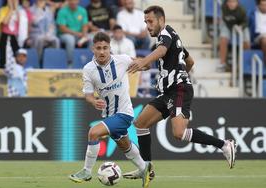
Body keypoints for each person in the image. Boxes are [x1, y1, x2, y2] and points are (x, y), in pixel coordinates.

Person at [123, 6, 237, 181]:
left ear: (161, 20)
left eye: (150, 21)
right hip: (169, 91)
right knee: (140, 123)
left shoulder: (166, 33)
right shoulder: (171, 40)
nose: (147, 26)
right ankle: (146, 168)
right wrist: (136, 63)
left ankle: (224, 145)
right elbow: (189, 60)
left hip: (179, 89)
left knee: (178, 133)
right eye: (145, 22)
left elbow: (161, 52)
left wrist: (179, 78)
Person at [68, 32, 152, 188]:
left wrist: (144, 64)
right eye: (98, 48)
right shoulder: (88, 69)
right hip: (108, 115)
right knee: (124, 144)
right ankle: (144, 168)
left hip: (124, 113)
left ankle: (87, 171)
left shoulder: (123, 60)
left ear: (109, 48)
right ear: (93, 49)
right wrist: (94, 101)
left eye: (105, 48)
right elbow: (88, 95)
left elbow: (147, 65)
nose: (102, 51)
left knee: (93, 132)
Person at [218, 0, 250, 72]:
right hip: (228, 25)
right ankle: (222, 63)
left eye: (233, 2)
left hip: (241, 25)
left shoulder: (242, 9)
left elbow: (246, 22)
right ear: (227, 2)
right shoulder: (224, 7)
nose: (231, 4)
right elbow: (224, 19)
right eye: (230, 2)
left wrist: (240, 27)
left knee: (247, 42)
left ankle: (243, 64)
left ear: (237, 3)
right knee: (223, 39)